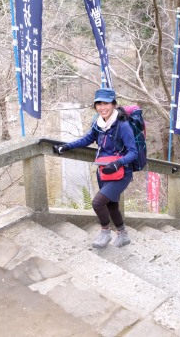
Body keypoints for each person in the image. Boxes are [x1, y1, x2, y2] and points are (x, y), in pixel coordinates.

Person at [53, 88, 137, 249]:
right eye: (98, 104)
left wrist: (118, 163)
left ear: (113, 104)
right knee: (111, 205)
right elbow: (88, 139)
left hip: (121, 173)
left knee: (98, 202)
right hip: (104, 171)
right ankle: (123, 235)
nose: (102, 107)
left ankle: (105, 232)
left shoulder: (123, 125)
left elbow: (133, 152)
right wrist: (67, 146)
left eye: (105, 103)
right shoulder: (98, 123)